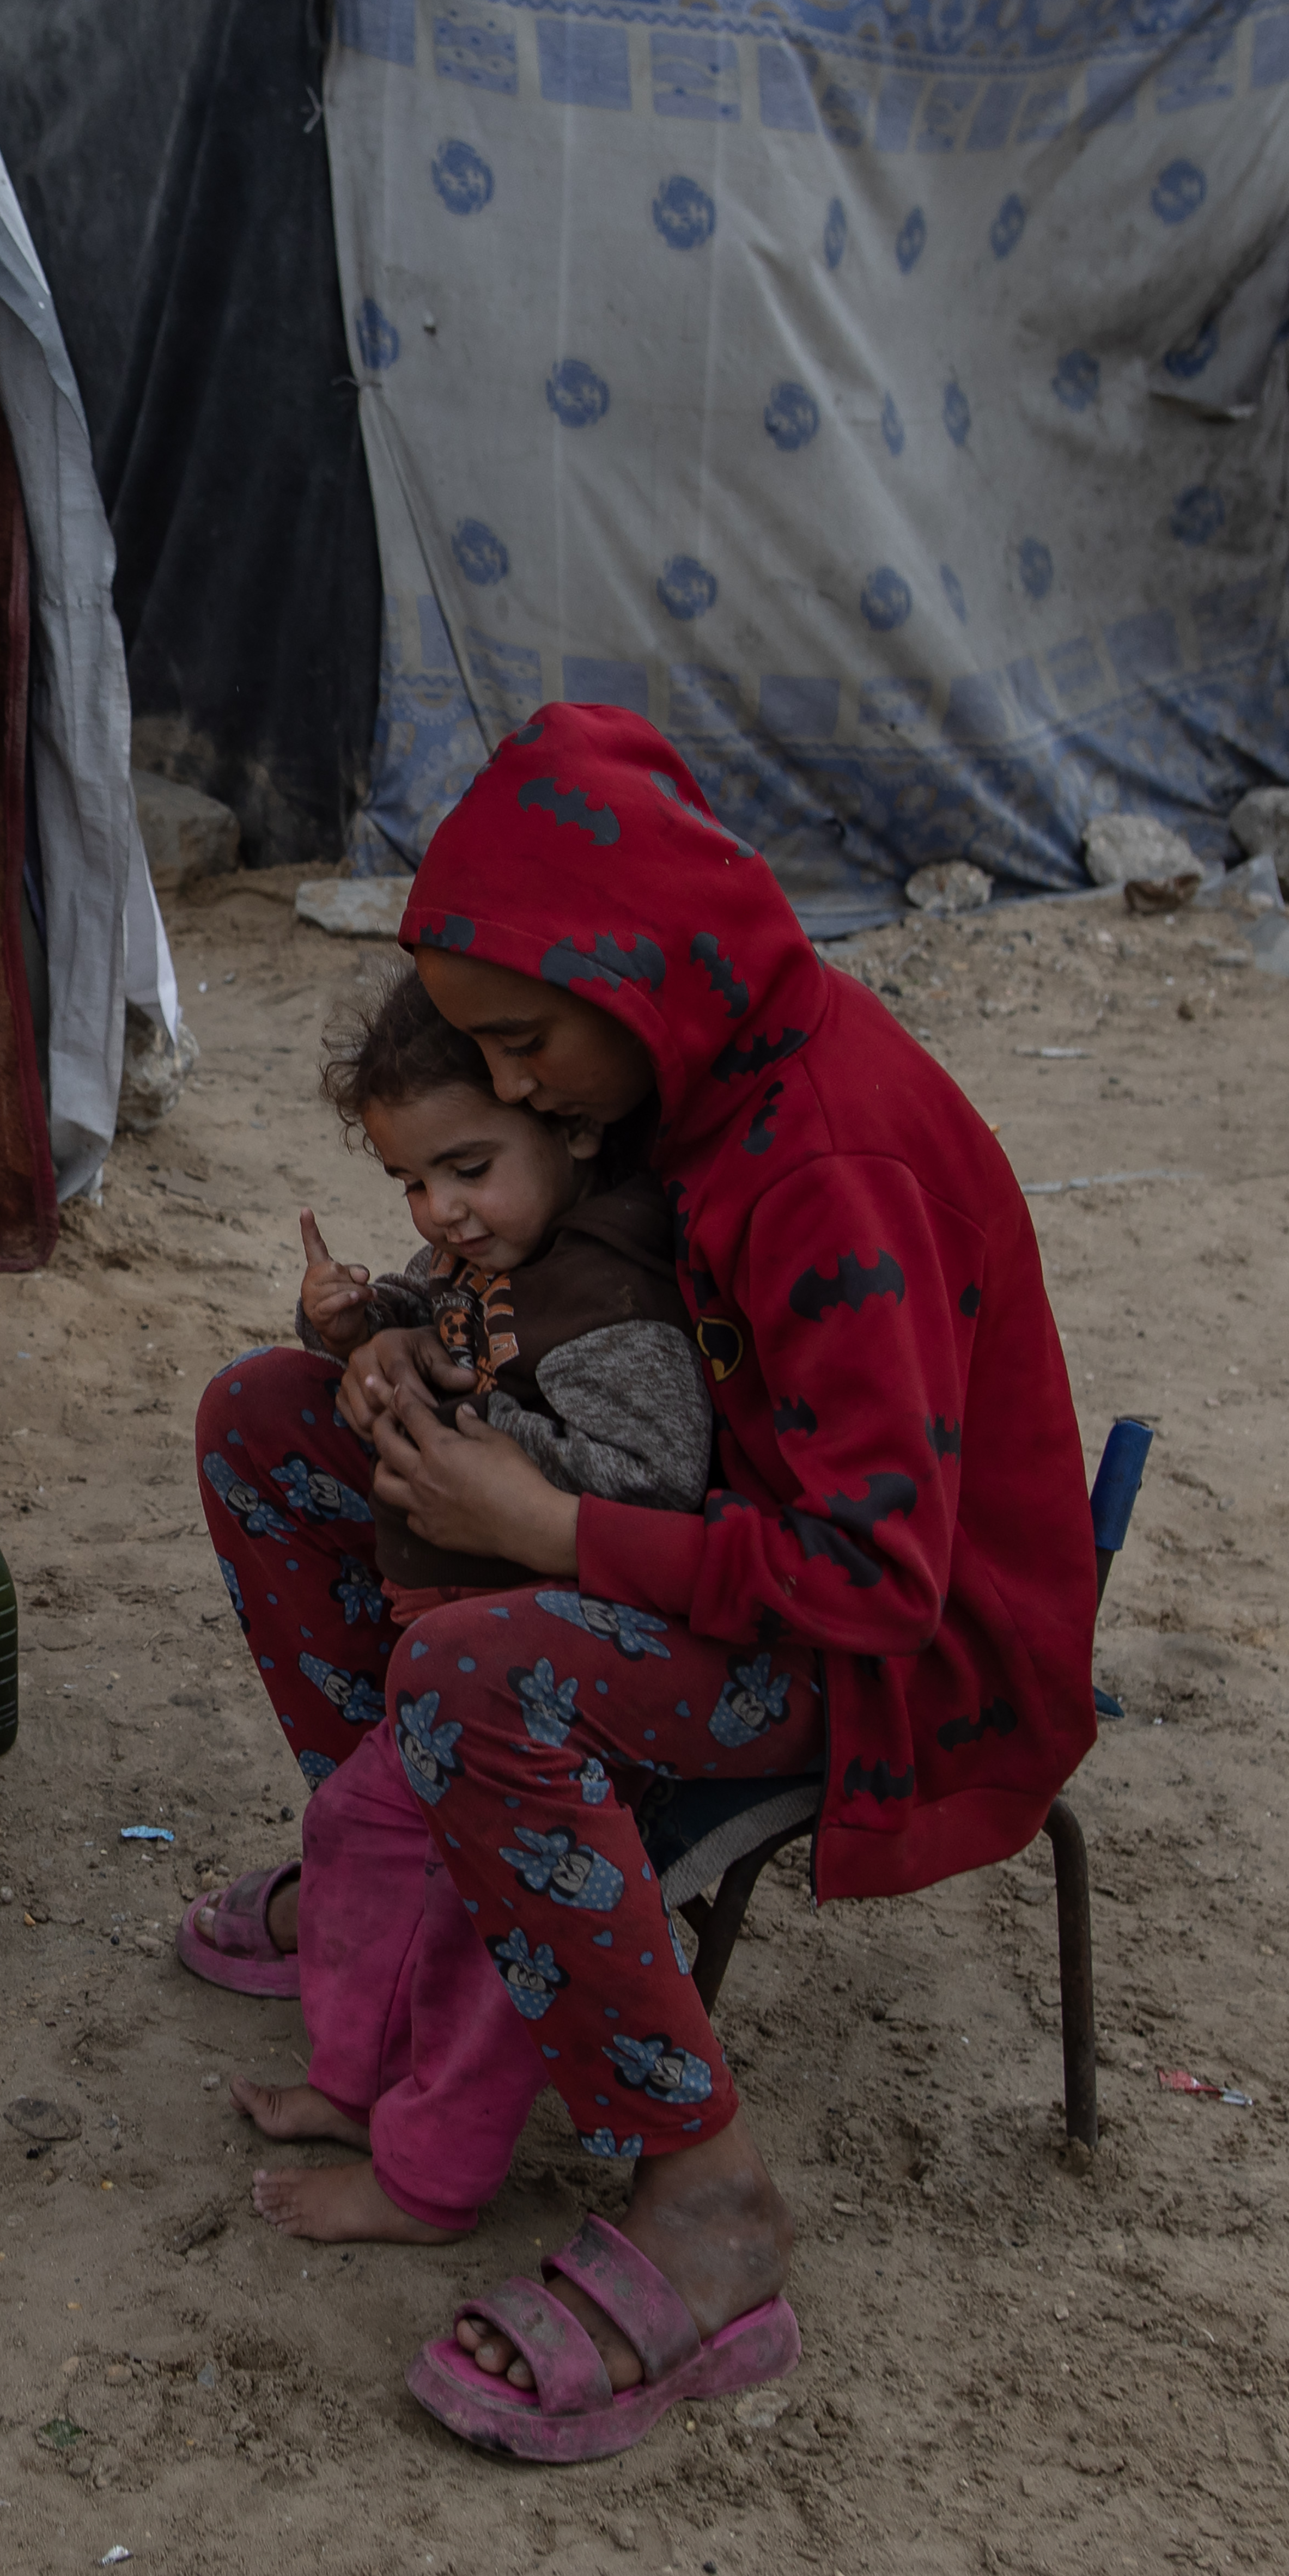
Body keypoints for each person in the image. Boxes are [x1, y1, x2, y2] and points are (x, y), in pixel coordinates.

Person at [233, 704, 1094, 2463]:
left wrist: (547, 1535)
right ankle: (402, 1870)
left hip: (892, 1665)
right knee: (270, 1424)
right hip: (691, 1533)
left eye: (526, 1046)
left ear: (633, 977)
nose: (514, 1092)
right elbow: (563, 1318)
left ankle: (707, 2197)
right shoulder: (678, 1075)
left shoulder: (824, 1163)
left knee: (484, 1672)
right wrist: (406, 1353)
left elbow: (877, 1583)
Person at [178, 977, 713, 2250]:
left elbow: (654, 1482)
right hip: (448, 1673)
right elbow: (446, 1322)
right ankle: (358, 2082)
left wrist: (480, 1442)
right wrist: (362, 1325)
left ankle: (429, 2179)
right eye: (413, 1183)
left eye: (468, 1170)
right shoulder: (490, 1255)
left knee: (483, 1915)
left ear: (569, 1124)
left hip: (549, 1684)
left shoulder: (610, 1301)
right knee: (357, 1832)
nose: (440, 1213)